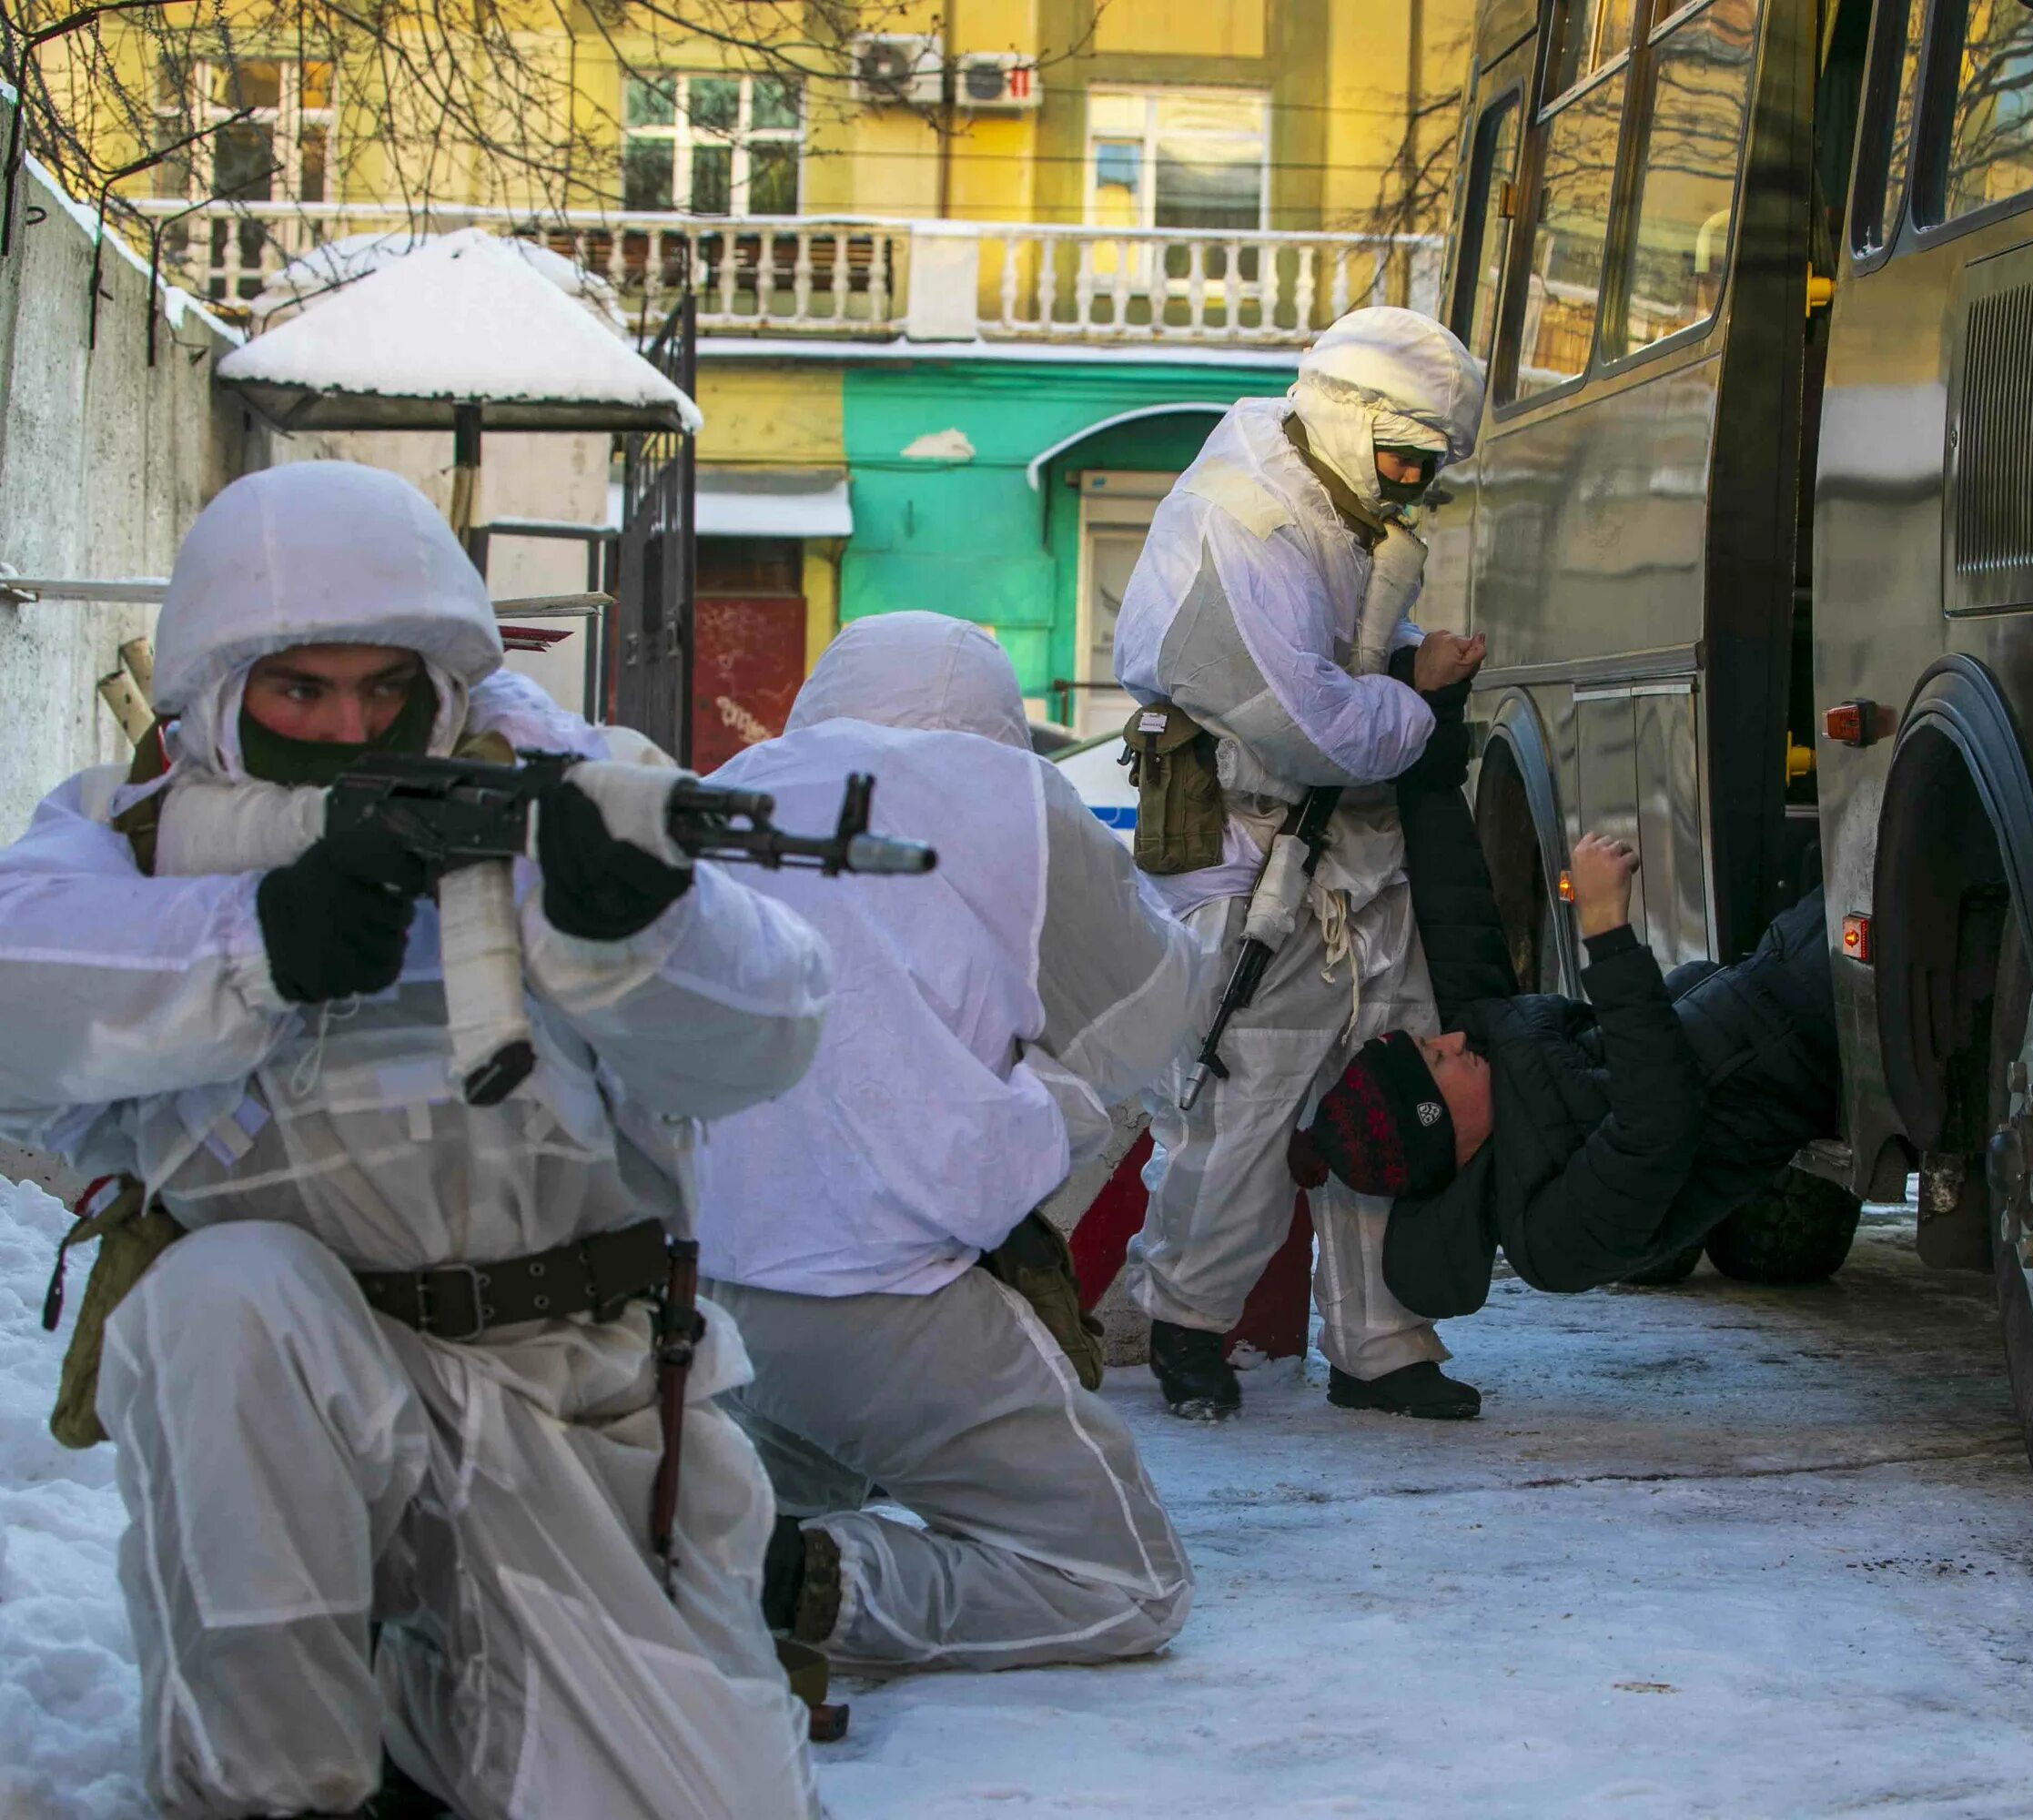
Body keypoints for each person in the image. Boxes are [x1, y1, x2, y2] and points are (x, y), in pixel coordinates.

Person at [0, 462, 834, 1820]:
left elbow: (775, 1033)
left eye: (388, 688)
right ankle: (271, 1786)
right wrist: (253, 941)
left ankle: (425, 1701)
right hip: (299, 1401)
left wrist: (645, 931)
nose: (351, 727)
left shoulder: (562, 797)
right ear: (218, 695)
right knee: (220, 1302)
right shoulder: (135, 838)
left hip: (571, 1411)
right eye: (300, 692)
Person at [692, 613, 1206, 1672]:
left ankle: (732, 1553)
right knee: (1125, 1585)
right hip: (890, 1303)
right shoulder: (1011, 795)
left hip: (708, 1287)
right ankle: (823, 1580)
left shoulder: (730, 785)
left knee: (785, 1468)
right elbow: (1154, 1013)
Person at [1110, 305, 1490, 1422]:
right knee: (1243, 1102)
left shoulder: (1331, 503)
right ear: (1349, 417)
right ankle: (1188, 1320)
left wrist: (1407, 665)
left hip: (1350, 851)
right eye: (1406, 459)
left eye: (1430, 470)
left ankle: (1379, 1341)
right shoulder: (1246, 517)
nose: (1412, 487)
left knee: (1394, 1085)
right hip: (1254, 858)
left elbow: (1336, 676)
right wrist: (1416, 697)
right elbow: (1304, 719)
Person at [1290, 665, 1842, 1318]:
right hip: (1810, 1047)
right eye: (1437, 1060)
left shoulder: (1490, 1051)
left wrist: (1433, 711)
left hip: (1778, 971)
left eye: (1433, 1042)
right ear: (1439, 1130)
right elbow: (1658, 1122)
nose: (1454, 1039)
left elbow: (1453, 899)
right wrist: (1606, 932)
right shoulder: (1553, 1241)